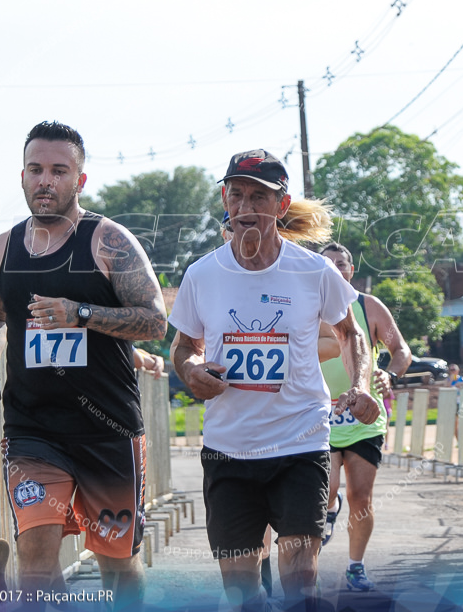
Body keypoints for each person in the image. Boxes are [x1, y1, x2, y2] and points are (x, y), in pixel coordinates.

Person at [168, 149, 378, 611]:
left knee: (300, 583)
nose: (245, 208)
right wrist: (190, 371)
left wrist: (361, 384)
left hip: (299, 443)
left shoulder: (314, 270)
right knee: (244, 595)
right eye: (237, 195)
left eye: (258, 197)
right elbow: (183, 347)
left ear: (281, 206)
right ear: (225, 198)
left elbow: (351, 334)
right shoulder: (202, 274)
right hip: (229, 449)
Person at [0, 121, 166, 610]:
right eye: (36, 169)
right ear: (21, 176)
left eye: (59, 171)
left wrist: (80, 313)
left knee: (116, 560)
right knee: (35, 553)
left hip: (107, 429)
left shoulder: (108, 241)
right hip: (32, 429)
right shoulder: (2, 249)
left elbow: (154, 322)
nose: (45, 180)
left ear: (79, 180)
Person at [316, 242, 412, 592]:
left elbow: (400, 349)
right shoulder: (311, 303)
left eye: (342, 264)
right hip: (320, 415)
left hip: (362, 416)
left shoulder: (368, 306)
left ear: (351, 270)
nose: (336, 270)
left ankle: (355, 566)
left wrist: (390, 373)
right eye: (328, 265)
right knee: (326, 489)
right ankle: (328, 508)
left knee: (362, 496)